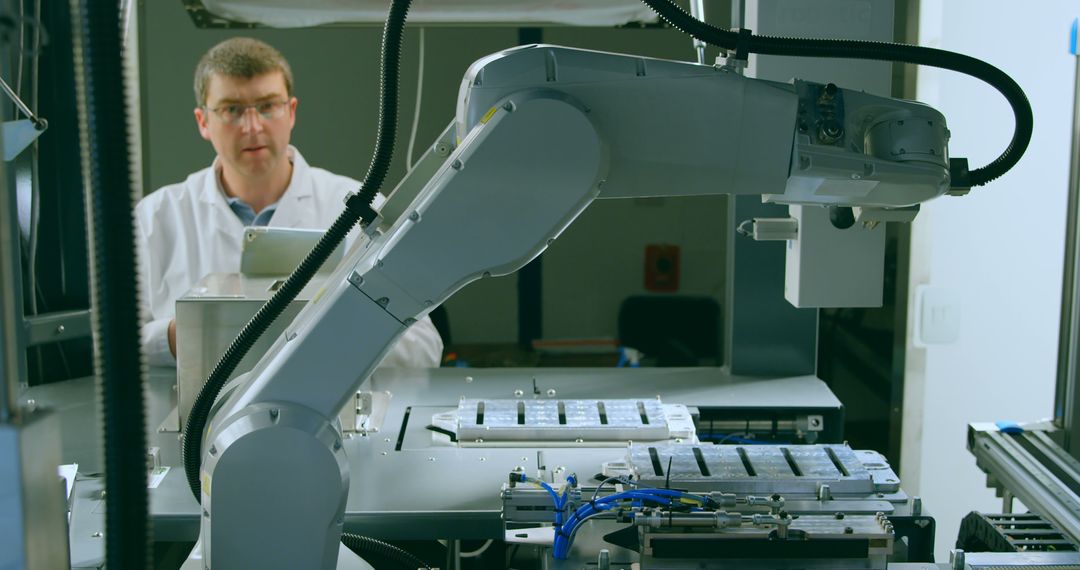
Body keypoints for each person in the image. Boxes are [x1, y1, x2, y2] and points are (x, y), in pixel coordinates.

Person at [136, 37, 443, 368]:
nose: (252, 127)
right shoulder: (154, 218)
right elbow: (109, 348)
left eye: (268, 106)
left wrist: (334, 331)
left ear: (291, 111)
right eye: (231, 110)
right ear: (203, 122)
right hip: (194, 417)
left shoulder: (360, 209)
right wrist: (184, 337)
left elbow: (423, 349)